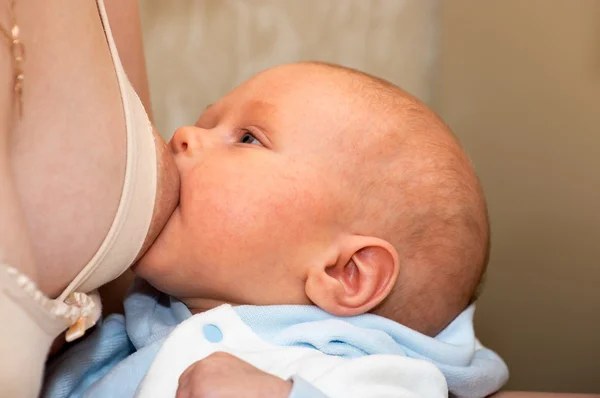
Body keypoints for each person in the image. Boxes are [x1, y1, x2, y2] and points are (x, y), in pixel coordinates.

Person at [43, 62, 509, 398]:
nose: (184, 134)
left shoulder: (363, 373)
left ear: (345, 273)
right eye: (208, 122)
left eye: (248, 138)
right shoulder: (117, 336)